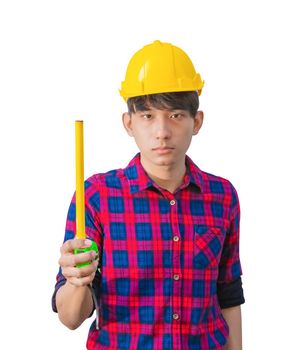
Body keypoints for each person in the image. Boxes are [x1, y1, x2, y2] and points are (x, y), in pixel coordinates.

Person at [52, 40, 245, 350]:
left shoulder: (222, 196)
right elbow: (72, 318)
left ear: (197, 122)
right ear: (129, 123)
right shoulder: (97, 196)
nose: (161, 131)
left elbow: (229, 292)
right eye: (147, 116)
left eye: (176, 115)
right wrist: (77, 281)